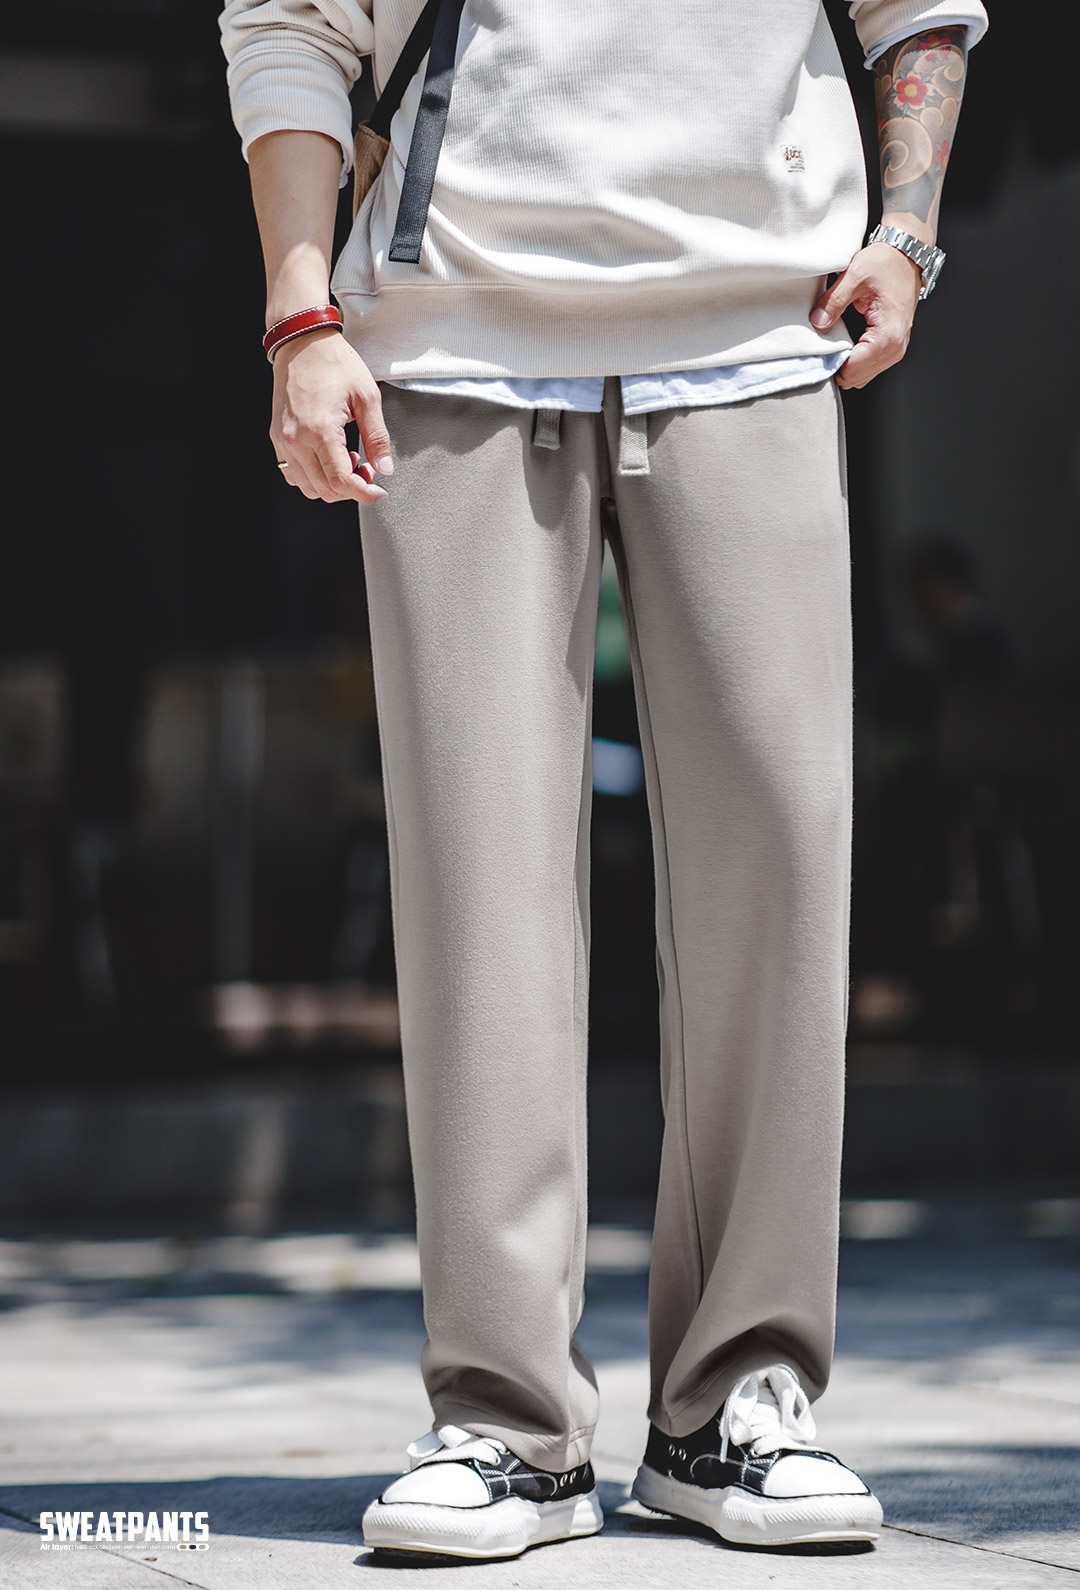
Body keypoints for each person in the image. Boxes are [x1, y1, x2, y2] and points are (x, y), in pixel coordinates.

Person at [219, 0, 986, 1560]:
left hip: (760, 330)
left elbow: (919, 13)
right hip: (453, 336)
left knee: (781, 875)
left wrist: (908, 235)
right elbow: (293, 24)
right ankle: (509, 1422)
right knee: (477, 891)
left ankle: (737, 1402)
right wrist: (302, 319)